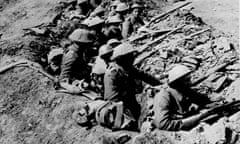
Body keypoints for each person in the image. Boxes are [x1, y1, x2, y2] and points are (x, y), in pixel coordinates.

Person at [104, 42, 162, 128]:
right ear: (121, 59)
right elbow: (112, 99)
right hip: (118, 106)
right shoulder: (112, 74)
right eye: (130, 56)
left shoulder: (128, 68)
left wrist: (160, 84)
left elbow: (145, 76)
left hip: (130, 100)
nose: (133, 58)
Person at [153, 64, 214, 131]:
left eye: (189, 79)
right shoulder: (163, 96)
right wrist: (199, 117)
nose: (190, 82)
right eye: (187, 80)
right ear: (177, 82)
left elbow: (202, 100)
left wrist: (215, 104)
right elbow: (163, 124)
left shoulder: (184, 89)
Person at [59, 28, 96, 93]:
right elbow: (64, 78)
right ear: (81, 43)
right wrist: (75, 84)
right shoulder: (72, 55)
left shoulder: (78, 51)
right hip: (77, 81)